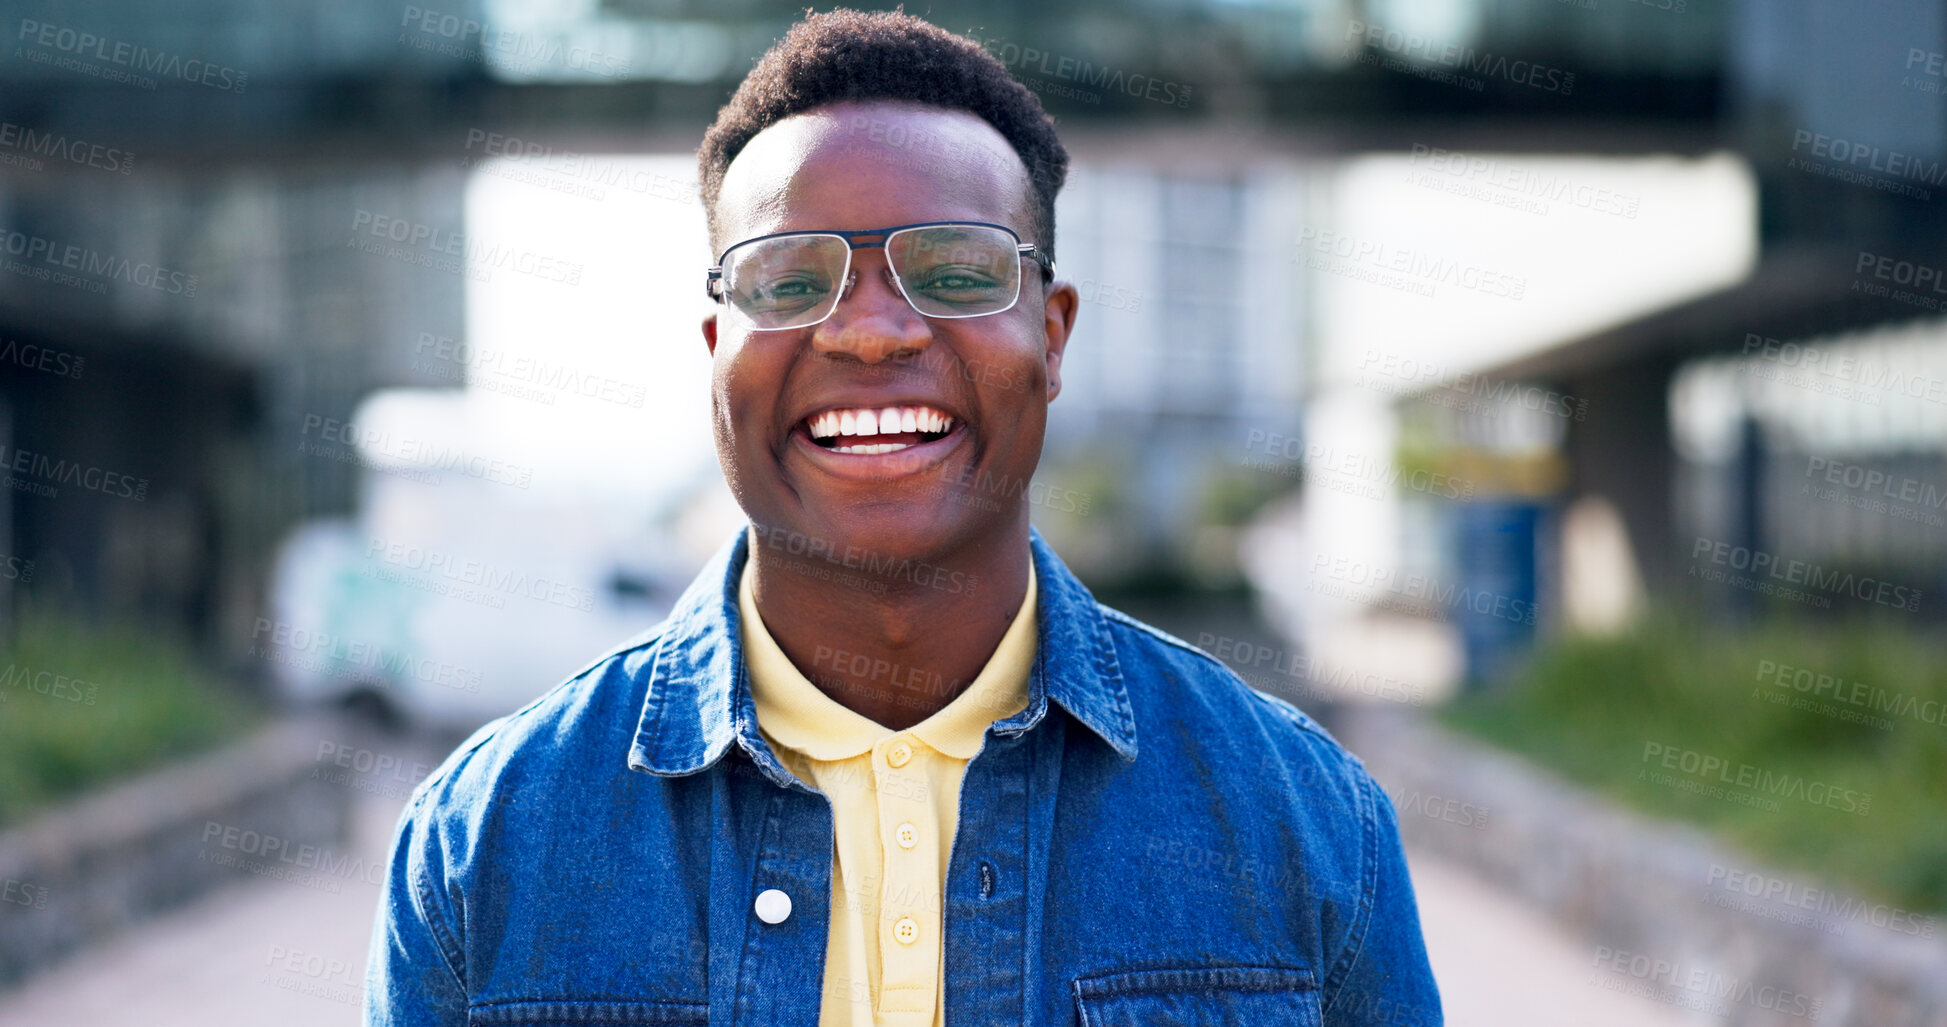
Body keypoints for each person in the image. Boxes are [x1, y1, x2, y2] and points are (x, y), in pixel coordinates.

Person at [365, 9, 1441, 1025]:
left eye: (955, 271)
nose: (871, 333)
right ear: (715, 357)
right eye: (789, 281)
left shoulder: (1305, 821)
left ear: (1053, 339)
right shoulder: (484, 842)